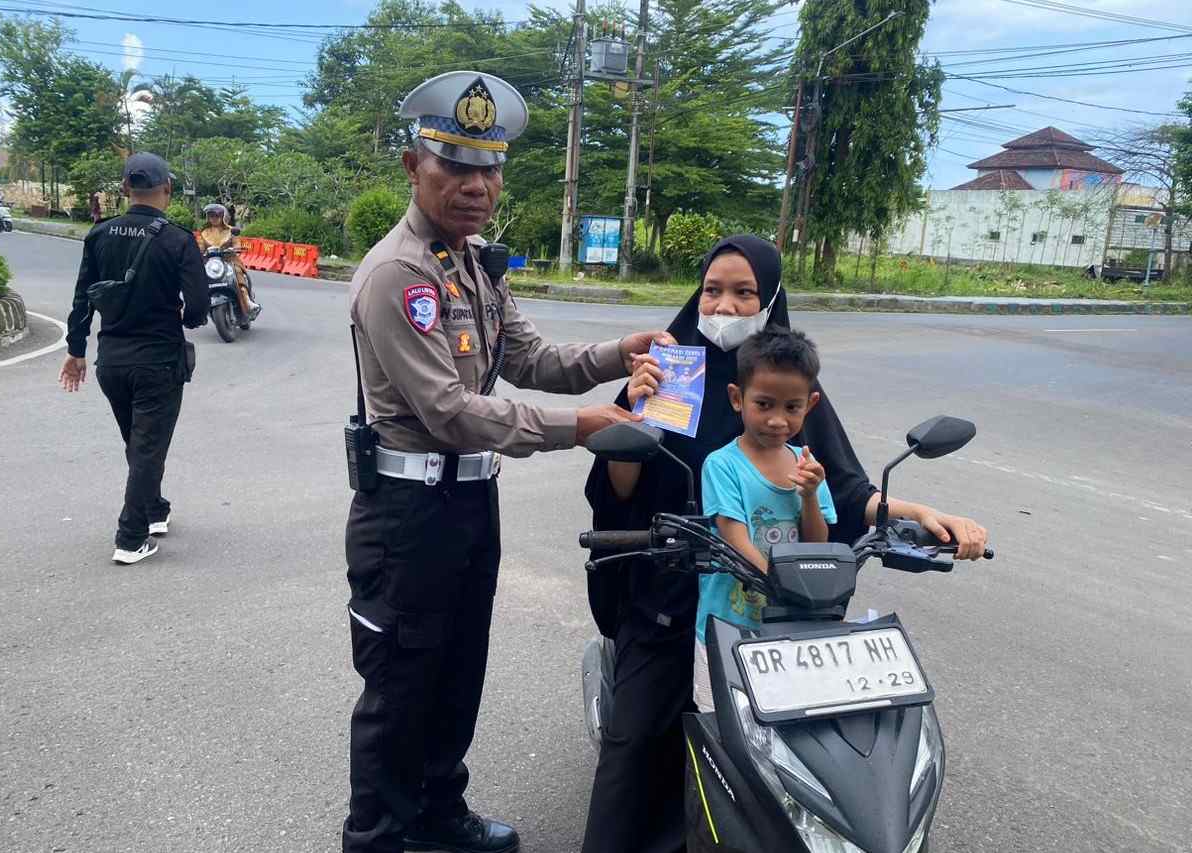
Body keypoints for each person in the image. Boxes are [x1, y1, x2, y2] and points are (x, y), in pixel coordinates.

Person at [343, 70, 672, 853]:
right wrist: (581, 427)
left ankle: (437, 813)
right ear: (411, 166)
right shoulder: (400, 275)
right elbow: (450, 412)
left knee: (458, 669)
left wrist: (614, 352)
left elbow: (527, 355)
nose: (476, 184)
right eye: (454, 164)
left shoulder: (473, 261)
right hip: (407, 515)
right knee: (399, 685)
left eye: (489, 167)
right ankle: (380, 837)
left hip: (466, 506)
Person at [580, 235, 988, 853]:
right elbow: (619, 492)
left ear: (769, 300)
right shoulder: (667, 376)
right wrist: (634, 418)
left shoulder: (788, 389)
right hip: (671, 574)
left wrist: (926, 512)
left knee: (834, 730)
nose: (724, 306)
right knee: (635, 740)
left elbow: (846, 494)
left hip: (774, 590)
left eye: (744, 293)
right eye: (712, 290)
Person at [58, 152, 210, 565]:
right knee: (147, 446)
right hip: (158, 362)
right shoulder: (178, 239)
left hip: (112, 362)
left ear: (125, 189)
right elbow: (198, 307)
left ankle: (154, 510)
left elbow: (82, 299)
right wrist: (183, 314)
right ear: (168, 189)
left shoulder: (99, 234)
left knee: (140, 441)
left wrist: (76, 351)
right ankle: (130, 537)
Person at [693, 326, 836, 712]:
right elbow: (733, 538)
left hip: (788, 625)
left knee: (784, 716)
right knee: (723, 719)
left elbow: (816, 544)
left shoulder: (806, 466)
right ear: (737, 399)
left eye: (792, 407)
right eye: (764, 404)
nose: (777, 420)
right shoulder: (723, 465)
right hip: (728, 625)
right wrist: (784, 586)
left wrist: (808, 495)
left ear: (811, 404)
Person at [196, 202, 259, 319]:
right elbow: (200, 248)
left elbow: (237, 243)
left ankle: (247, 301)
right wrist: (197, 253)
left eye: (216, 215)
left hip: (230, 260)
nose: (214, 218)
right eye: (211, 215)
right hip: (212, 263)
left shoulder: (231, 230)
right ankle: (198, 307)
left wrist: (235, 248)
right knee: (199, 277)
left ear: (223, 217)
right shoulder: (204, 232)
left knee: (237, 272)